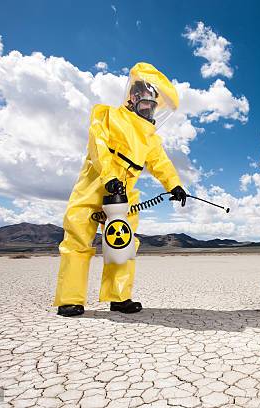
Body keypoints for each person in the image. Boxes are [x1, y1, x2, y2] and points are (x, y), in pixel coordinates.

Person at [53, 62, 187, 317]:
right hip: (92, 189)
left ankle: (119, 297)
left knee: (123, 245)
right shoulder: (107, 116)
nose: (150, 108)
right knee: (77, 242)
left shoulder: (150, 137)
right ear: (134, 96)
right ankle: (70, 299)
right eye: (147, 101)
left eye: (154, 104)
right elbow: (99, 148)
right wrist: (110, 178)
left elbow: (161, 163)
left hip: (124, 197)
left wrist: (175, 185)